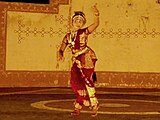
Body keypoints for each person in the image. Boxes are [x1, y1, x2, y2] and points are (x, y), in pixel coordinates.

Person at [58, 4, 100, 117]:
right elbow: (62, 46)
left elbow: (96, 24)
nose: (78, 22)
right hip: (77, 61)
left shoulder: (84, 32)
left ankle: (89, 105)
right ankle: (86, 101)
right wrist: (60, 53)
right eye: (76, 20)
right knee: (75, 82)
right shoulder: (68, 36)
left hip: (86, 59)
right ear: (72, 22)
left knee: (87, 82)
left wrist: (96, 14)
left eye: (81, 21)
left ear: (83, 23)